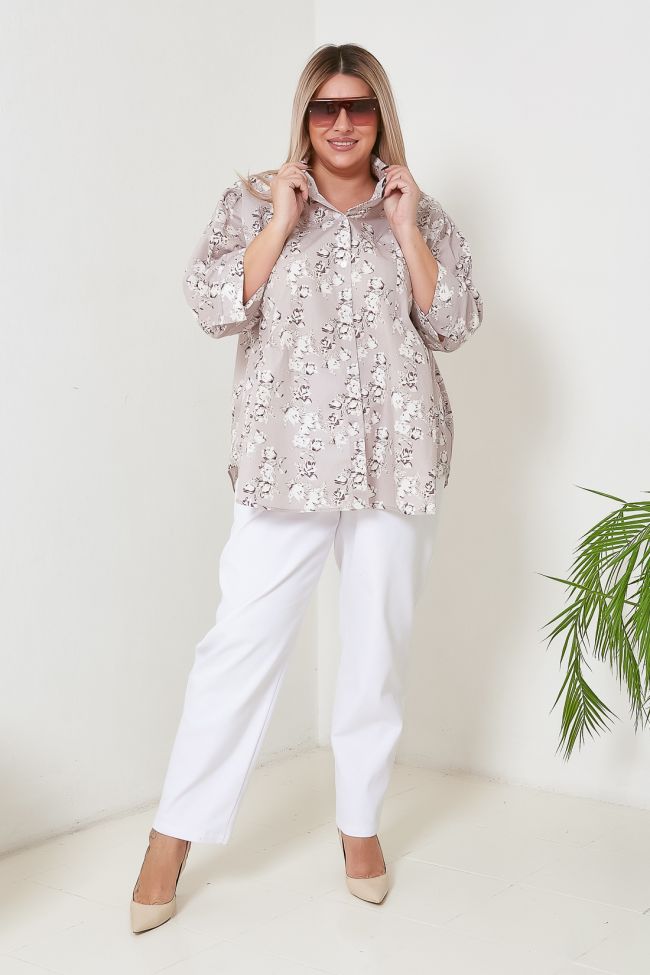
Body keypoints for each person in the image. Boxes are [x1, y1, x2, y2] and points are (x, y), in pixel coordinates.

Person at [130, 41, 484, 933]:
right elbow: (211, 303)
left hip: (398, 458)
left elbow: (454, 324)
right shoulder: (254, 201)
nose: (342, 123)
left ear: (380, 115)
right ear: (305, 116)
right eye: (326, 107)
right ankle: (173, 833)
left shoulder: (418, 208)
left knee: (376, 652)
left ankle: (360, 826)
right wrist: (280, 224)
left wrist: (407, 228)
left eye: (358, 106)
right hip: (285, 463)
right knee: (238, 646)